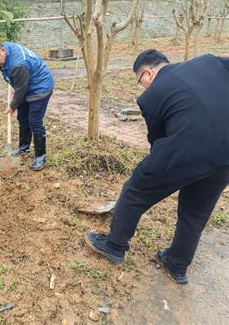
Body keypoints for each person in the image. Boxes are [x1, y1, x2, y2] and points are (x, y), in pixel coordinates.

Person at [85, 50, 229, 284]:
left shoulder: (150, 97)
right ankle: (177, 264)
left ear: (148, 73)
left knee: (135, 189)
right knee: (195, 212)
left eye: (139, 80)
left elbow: (157, 139)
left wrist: (154, 173)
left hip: (188, 151)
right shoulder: (207, 61)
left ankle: (114, 245)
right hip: (225, 156)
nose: (141, 86)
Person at [0, 41, 54, 170]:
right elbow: (19, 86)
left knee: (34, 121)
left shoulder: (18, 65)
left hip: (40, 86)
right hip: (25, 83)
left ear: (4, 51)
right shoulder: (2, 48)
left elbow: (20, 90)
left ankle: (40, 156)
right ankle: (24, 146)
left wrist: (12, 106)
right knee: (22, 118)